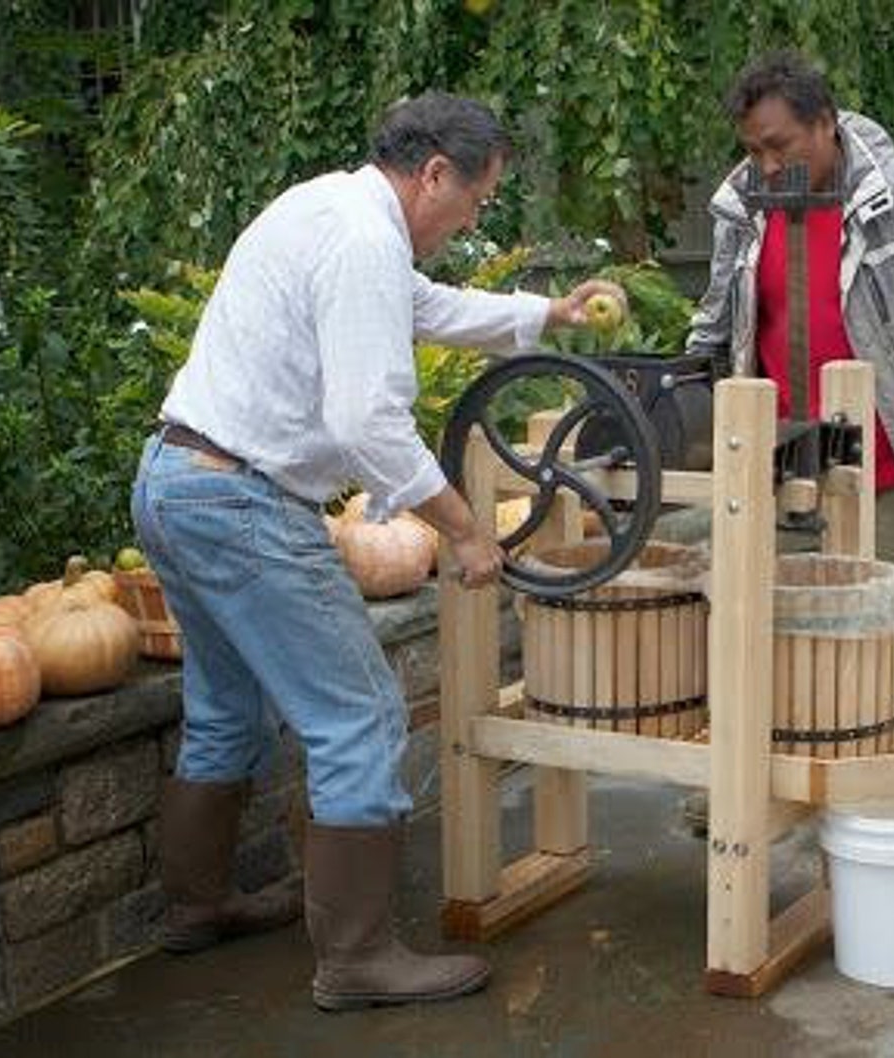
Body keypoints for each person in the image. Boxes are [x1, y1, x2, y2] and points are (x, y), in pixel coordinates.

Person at [130, 91, 624, 1011]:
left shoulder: (332, 208)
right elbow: (365, 422)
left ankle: (195, 908)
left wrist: (545, 314)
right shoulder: (362, 240)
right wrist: (465, 530)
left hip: (176, 479)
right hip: (243, 501)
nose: (475, 218)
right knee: (358, 716)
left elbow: (427, 305)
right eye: (474, 199)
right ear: (434, 172)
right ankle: (356, 959)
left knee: (225, 711)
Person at [686, 51, 894, 724]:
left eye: (780, 145)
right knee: (767, 622)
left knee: (891, 631)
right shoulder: (744, 205)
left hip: (890, 454)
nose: (767, 165)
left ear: (826, 123)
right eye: (753, 149)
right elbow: (716, 324)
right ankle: (770, 783)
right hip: (785, 458)